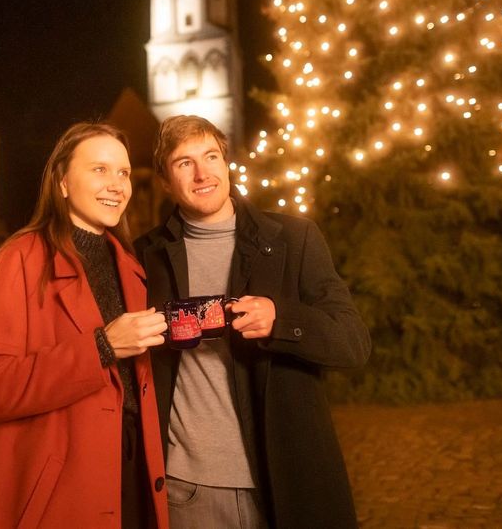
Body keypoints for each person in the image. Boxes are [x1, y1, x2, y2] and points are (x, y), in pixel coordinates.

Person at [134, 115, 372, 529]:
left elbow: (352, 343)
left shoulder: (294, 239)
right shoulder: (145, 256)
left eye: (211, 156)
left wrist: (282, 321)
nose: (202, 173)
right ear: (166, 181)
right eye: (184, 163)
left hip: (287, 477)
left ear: (226, 164)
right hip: (190, 485)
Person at [0, 122, 170, 529]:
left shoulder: (133, 266)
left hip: (136, 476)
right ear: (61, 183)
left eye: (123, 172)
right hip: (64, 489)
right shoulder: (21, 259)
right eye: (99, 169)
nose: (116, 185)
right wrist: (101, 348)